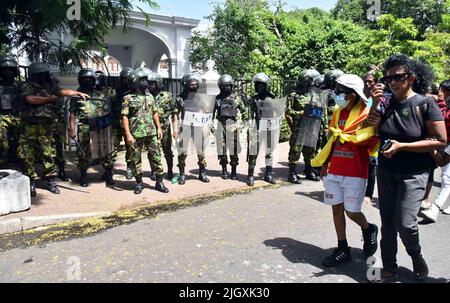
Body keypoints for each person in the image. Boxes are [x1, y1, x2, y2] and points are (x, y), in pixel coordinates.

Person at [367, 54, 446, 282]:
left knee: (405, 223)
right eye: (388, 77)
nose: (392, 82)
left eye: (398, 77)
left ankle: (416, 255)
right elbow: (369, 128)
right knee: (387, 222)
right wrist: (373, 102)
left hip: (414, 173)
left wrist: (403, 146)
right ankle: (390, 268)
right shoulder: (385, 102)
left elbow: (440, 140)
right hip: (386, 170)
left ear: (411, 78)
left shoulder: (424, 103)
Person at [312, 74, 379, 268]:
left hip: (355, 170)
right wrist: (325, 164)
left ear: (352, 95)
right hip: (334, 168)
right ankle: (343, 248)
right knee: (336, 209)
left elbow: (369, 140)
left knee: (352, 212)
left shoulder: (366, 114)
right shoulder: (337, 113)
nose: (336, 95)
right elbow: (333, 140)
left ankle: (368, 229)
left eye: (339, 91)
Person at [18, 62, 89, 196]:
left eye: (46, 74)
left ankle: (50, 180)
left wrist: (76, 93)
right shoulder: (25, 85)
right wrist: (50, 99)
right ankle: (31, 181)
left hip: (47, 127)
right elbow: (30, 99)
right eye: (42, 75)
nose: (46, 77)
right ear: (35, 75)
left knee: (48, 154)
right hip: (29, 126)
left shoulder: (50, 85)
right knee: (27, 154)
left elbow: (61, 91)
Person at [122, 67, 169, 195]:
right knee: (135, 159)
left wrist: (159, 128)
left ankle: (159, 182)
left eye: (146, 80)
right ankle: (138, 182)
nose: (146, 82)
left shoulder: (150, 97)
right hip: (135, 134)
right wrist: (128, 135)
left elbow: (155, 114)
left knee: (156, 157)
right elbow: (124, 117)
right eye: (143, 80)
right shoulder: (128, 98)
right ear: (136, 81)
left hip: (151, 133)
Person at [69, 68, 116, 187]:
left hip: (101, 126)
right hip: (84, 127)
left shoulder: (100, 94)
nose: (87, 82)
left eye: (90, 79)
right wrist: (71, 129)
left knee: (105, 151)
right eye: (84, 79)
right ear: (80, 81)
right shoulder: (76, 96)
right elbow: (72, 113)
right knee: (83, 153)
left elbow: (112, 101)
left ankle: (109, 174)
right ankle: (84, 176)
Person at [285, 69, 325, 183]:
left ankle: (309, 170)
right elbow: (288, 113)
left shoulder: (316, 96)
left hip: (312, 128)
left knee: (310, 151)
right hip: (299, 128)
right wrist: (301, 114)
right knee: (295, 151)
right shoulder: (294, 95)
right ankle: (292, 173)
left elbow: (321, 111)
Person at [421, 79, 450, 221]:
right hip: (444, 144)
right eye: (441, 90)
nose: (441, 93)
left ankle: (434, 208)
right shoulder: (443, 105)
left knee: (447, 178)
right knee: (446, 175)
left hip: (446, 144)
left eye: (445, 91)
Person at [175, 73, 210, 185]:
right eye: (191, 84)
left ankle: (202, 173)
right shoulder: (180, 98)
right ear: (186, 85)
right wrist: (175, 129)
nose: (194, 86)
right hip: (185, 128)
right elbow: (175, 114)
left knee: (201, 152)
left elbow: (206, 111)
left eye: (195, 84)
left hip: (198, 127)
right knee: (182, 152)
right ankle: (182, 174)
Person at [247, 73, 278, 186]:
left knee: (269, 152)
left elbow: (277, 114)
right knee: (253, 152)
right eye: (258, 85)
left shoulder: (272, 98)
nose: (260, 88)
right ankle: (250, 175)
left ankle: (268, 174)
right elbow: (249, 114)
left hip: (269, 128)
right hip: (257, 128)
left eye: (262, 85)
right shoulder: (253, 99)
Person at [214, 74, 247, 180]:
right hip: (220, 127)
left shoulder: (236, 98)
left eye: (228, 85)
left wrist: (243, 124)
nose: (227, 88)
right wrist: (211, 127)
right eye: (224, 86)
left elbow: (244, 111)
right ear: (220, 87)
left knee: (233, 150)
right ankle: (224, 169)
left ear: (232, 86)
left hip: (233, 127)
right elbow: (210, 114)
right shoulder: (217, 99)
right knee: (222, 150)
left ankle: (233, 171)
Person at [148, 72, 179, 180]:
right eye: (149, 84)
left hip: (165, 126)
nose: (150, 86)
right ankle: (154, 171)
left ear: (158, 83)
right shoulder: (147, 96)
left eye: (152, 84)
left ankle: (170, 170)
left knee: (167, 151)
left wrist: (175, 129)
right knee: (152, 151)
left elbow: (175, 112)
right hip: (151, 126)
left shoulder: (167, 96)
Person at [0, 55, 21, 169]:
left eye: (10, 70)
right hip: (2, 117)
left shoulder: (20, 86)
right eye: (4, 70)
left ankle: (19, 165)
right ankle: (3, 166)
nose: (7, 72)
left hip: (18, 117)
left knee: (19, 144)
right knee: (2, 144)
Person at [114, 67, 134, 180]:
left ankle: (129, 168)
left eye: (127, 78)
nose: (125, 81)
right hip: (116, 123)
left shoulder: (134, 92)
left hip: (129, 124)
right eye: (123, 78)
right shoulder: (115, 92)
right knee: (113, 148)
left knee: (130, 148)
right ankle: (108, 170)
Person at [363, 72, 379, 205]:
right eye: (366, 81)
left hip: (374, 138)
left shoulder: (380, 98)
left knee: (371, 166)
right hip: (360, 137)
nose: (368, 84)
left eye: (371, 81)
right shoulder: (360, 98)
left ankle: (369, 194)